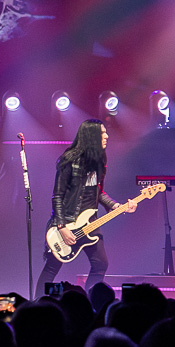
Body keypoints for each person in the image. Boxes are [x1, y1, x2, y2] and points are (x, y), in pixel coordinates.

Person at [39, 120, 134, 291]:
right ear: (91, 136)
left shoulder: (99, 160)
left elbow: (98, 191)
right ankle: (38, 302)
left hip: (90, 222)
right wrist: (61, 226)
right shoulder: (69, 160)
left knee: (100, 264)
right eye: (102, 133)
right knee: (52, 268)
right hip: (67, 223)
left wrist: (116, 206)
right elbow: (57, 196)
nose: (107, 136)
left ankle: (92, 301)